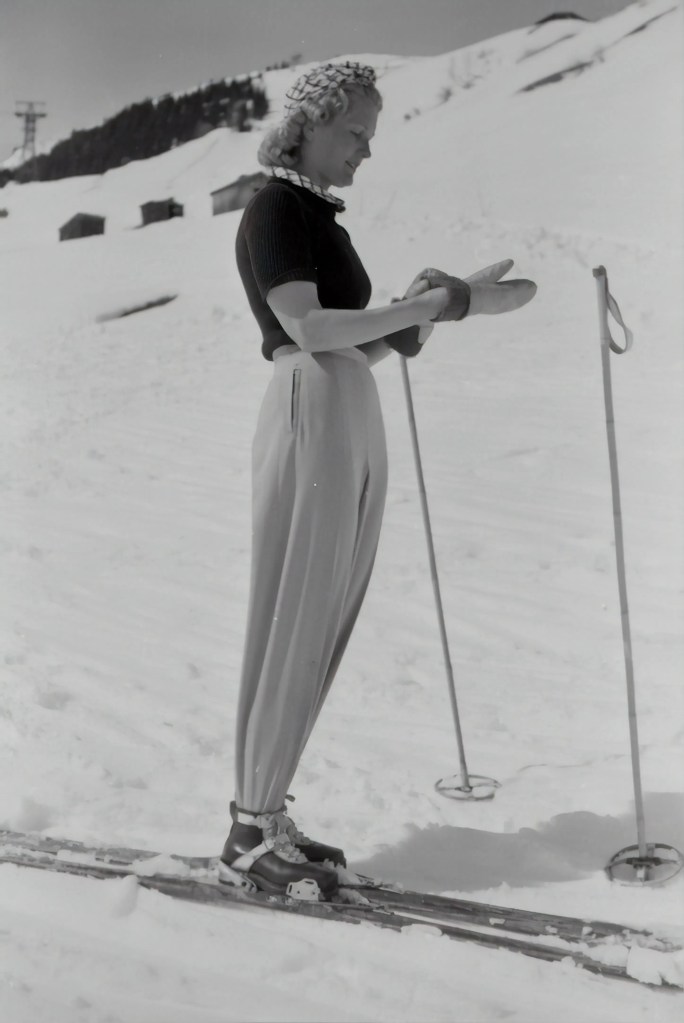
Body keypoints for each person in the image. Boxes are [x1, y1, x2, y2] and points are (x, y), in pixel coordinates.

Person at [220, 61, 536, 900]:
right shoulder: (275, 208)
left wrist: (429, 305)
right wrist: (426, 309)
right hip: (310, 403)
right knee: (296, 609)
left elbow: (354, 341)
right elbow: (310, 326)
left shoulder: (318, 214)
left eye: (370, 136)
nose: (366, 150)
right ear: (310, 127)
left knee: (325, 611)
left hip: (345, 402)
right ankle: (249, 829)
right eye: (355, 132)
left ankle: (267, 806)